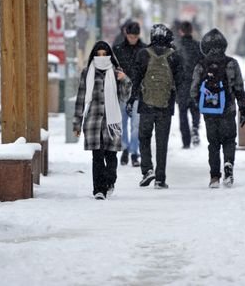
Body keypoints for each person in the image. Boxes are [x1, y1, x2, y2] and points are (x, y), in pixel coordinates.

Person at [127, 23, 184, 189]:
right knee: (162, 142)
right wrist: (180, 101)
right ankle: (160, 178)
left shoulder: (143, 54)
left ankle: (147, 170)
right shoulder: (175, 56)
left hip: (146, 104)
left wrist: (132, 99)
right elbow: (180, 82)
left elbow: (136, 78)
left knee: (144, 137)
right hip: (166, 106)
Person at [190, 28, 245, 188]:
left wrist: (200, 105)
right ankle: (228, 164)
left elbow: (194, 89)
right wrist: (243, 109)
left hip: (210, 112)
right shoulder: (232, 63)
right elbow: (239, 88)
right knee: (229, 140)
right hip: (228, 109)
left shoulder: (201, 65)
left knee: (213, 144)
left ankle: (214, 176)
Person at [73, 41, 131, 200]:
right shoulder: (87, 73)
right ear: (93, 55)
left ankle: (110, 182)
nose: (101, 57)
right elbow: (81, 98)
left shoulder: (116, 72)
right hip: (93, 121)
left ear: (109, 55)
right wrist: (77, 123)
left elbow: (125, 97)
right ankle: (99, 189)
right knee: (97, 156)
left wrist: (124, 80)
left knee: (111, 156)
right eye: (98, 54)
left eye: (104, 54)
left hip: (112, 122)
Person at [113, 20, 146, 167]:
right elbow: (113, 70)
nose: (133, 39)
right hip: (122, 92)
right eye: (131, 36)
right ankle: (125, 149)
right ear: (126, 34)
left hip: (138, 92)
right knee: (123, 124)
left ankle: (134, 152)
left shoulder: (144, 50)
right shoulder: (118, 49)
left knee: (136, 125)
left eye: (135, 36)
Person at [176, 21, 203, 148]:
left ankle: (186, 141)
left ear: (181, 31)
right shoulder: (198, 46)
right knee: (195, 109)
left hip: (181, 85)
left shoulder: (176, 47)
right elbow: (203, 64)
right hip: (195, 83)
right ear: (191, 31)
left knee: (182, 114)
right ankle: (196, 127)